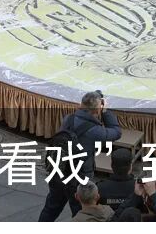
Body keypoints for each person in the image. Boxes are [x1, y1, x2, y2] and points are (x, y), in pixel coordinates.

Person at [39, 91, 122, 222]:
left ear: (80, 104)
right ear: (97, 110)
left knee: (51, 208)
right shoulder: (95, 131)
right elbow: (116, 132)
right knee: (80, 213)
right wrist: (105, 111)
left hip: (58, 171)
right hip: (79, 179)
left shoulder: (68, 119)